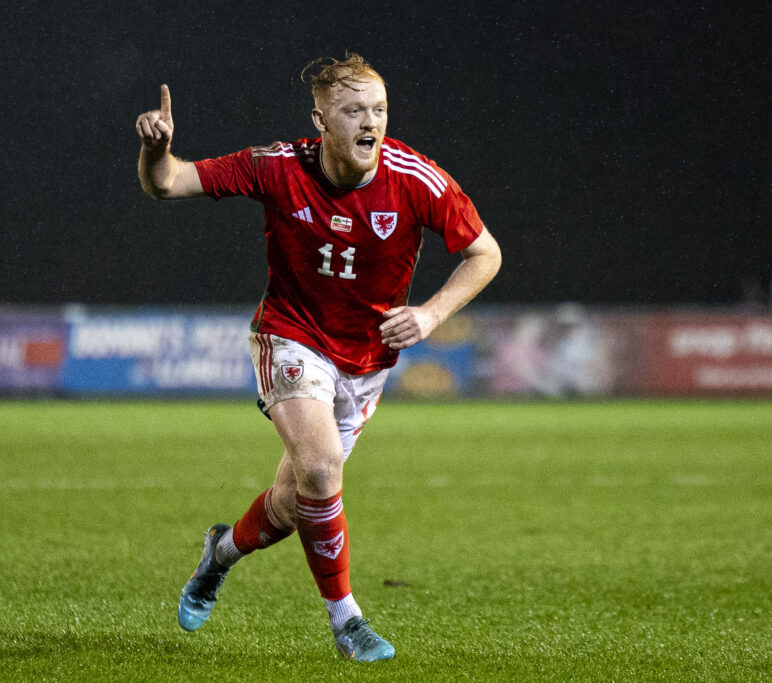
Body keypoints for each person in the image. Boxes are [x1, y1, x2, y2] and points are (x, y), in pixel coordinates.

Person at [135, 54, 501, 662]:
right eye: (354, 110)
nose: (371, 122)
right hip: (290, 335)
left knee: (294, 503)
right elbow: (168, 181)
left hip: (366, 362)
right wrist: (157, 150)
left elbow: (484, 253)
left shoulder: (418, 180)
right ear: (321, 121)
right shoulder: (279, 166)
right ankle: (347, 621)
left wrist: (432, 314)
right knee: (324, 467)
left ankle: (219, 554)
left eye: (379, 109)